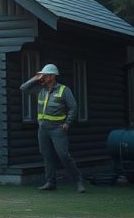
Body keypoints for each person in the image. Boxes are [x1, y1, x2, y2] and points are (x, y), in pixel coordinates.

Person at [21, 64, 86, 193]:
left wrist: (67, 123)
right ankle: (50, 182)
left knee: (63, 155)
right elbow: (23, 88)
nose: (43, 77)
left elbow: (73, 107)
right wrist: (34, 79)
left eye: (44, 75)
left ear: (52, 76)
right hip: (43, 128)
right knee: (46, 155)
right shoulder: (40, 89)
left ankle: (79, 181)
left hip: (57, 129)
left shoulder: (64, 90)